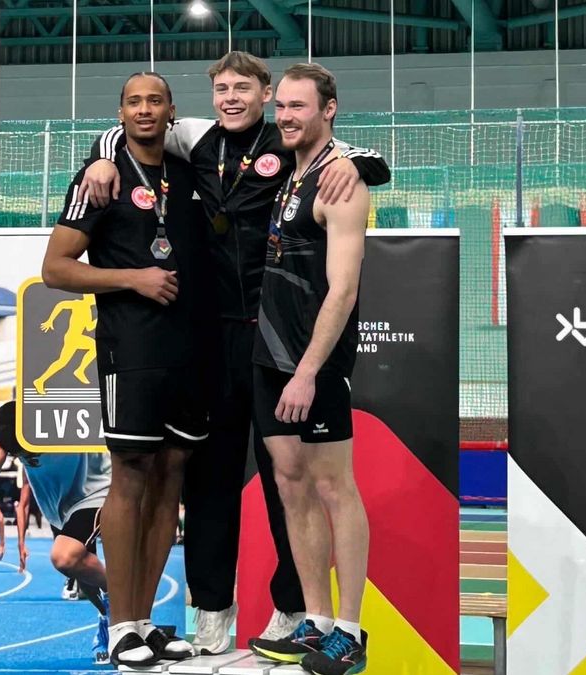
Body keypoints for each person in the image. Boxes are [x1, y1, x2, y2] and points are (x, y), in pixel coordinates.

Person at [80, 51, 391, 653]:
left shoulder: (291, 140)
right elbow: (133, 126)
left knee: (286, 479)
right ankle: (212, 610)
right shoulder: (195, 137)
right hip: (209, 335)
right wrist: (100, 155)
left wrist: (357, 162)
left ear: (265, 93)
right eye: (221, 88)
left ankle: (293, 609)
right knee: (208, 479)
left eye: (243, 88)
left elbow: (364, 156)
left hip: (276, 336)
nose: (231, 98)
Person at [41, 71, 209, 668]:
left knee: (170, 476)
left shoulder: (191, 173)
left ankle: (143, 620)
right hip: (130, 349)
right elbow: (56, 268)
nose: (144, 110)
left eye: (154, 100)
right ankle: (120, 627)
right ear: (120, 113)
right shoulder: (99, 179)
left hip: (191, 348)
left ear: (171, 110)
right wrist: (134, 279)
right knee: (131, 473)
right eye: (133, 102)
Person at [244, 63, 370, 675]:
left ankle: (350, 631)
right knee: (290, 484)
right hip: (268, 357)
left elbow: (342, 290)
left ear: (329, 108)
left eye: (300, 106)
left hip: (312, 365)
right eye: (282, 107)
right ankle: (315, 621)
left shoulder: (341, 182)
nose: (287, 116)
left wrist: (308, 372)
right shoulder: (289, 171)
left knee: (333, 487)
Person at [0, 400, 111, 663]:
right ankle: (107, 614)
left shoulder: (58, 413)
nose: (26, 458)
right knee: (81, 575)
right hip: (58, 507)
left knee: (64, 557)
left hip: (94, 489)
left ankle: (118, 601)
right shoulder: (4, 435)